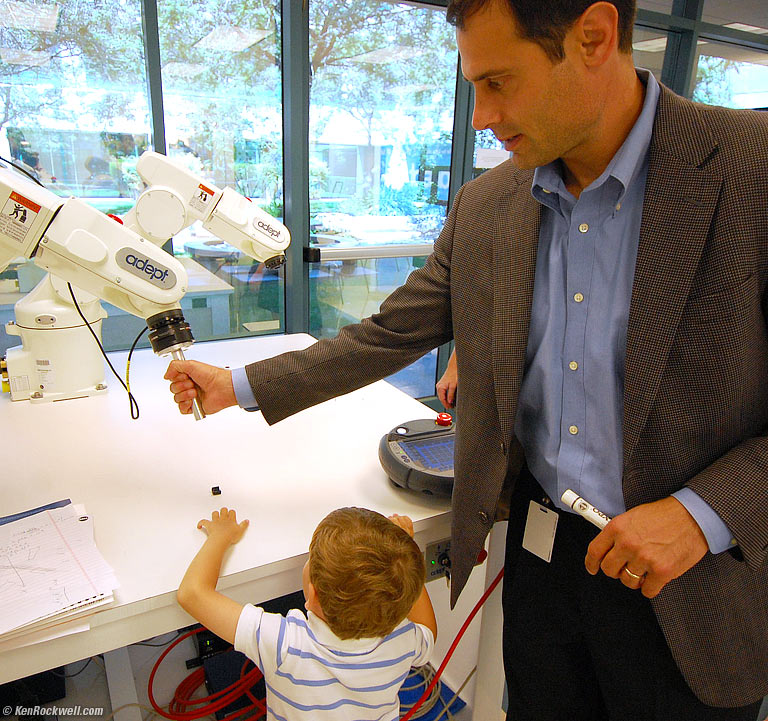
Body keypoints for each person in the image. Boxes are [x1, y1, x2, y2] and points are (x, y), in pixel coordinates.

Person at [165, 0, 768, 717]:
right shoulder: (488, 205)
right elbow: (388, 333)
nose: (481, 116)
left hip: (695, 584)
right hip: (545, 561)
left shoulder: (750, 169)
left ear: (594, 37)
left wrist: (703, 514)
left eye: (499, 82)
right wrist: (236, 384)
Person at [177, 506, 436, 721]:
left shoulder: (284, 644)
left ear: (313, 596)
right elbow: (428, 631)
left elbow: (192, 593)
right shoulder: (403, 641)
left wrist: (220, 536)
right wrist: (403, 552)